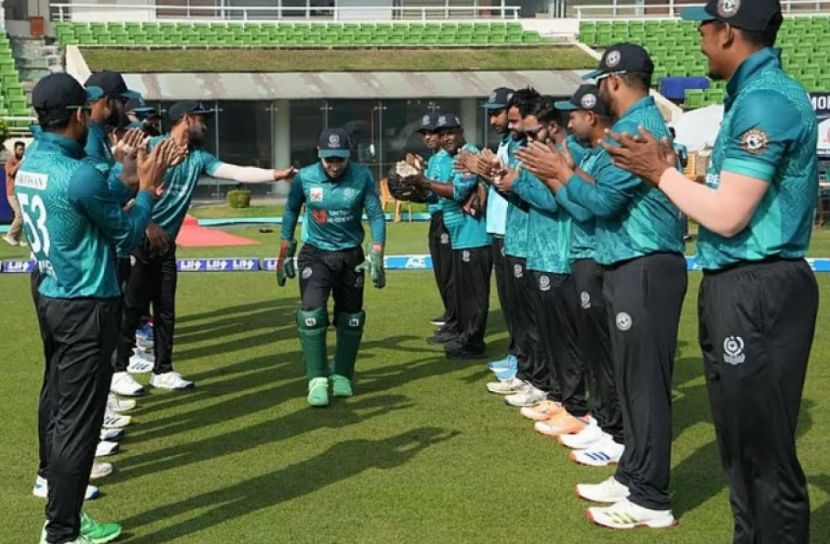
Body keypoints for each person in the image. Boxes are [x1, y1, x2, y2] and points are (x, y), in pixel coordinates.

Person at [605, 2, 817, 541]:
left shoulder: (766, 100)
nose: (699, 40)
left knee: (761, 452)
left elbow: (727, 215)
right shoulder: (753, 95)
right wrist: (672, 174)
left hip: (758, 287)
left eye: (703, 28)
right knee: (742, 449)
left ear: (727, 32)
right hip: (742, 285)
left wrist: (659, 173)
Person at [526, 44, 686, 528]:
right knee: (629, 380)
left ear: (613, 82)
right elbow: (590, 203)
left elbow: (602, 205)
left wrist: (560, 173)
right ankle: (633, 475)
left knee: (644, 386)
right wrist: (561, 177)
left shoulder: (637, 129)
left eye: (600, 83)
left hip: (644, 264)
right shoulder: (631, 125)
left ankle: (651, 498)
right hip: (628, 263)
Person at [19, 72, 178, 544]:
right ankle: (62, 530)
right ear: (77, 114)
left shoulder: (33, 160)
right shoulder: (78, 172)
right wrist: (146, 188)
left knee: (58, 403)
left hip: (52, 294)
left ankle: (58, 502)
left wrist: (124, 177)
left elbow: (89, 202)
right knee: (79, 425)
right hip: (85, 305)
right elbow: (126, 235)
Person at [112, 100, 297, 396]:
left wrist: (277, 174)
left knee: (166, 311)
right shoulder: (152, 146)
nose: (205, 125)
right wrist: (148, 224)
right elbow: (124, 191)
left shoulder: (199, 158)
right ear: (187, 119)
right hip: (139, 241)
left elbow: (238, 172)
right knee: (131, 309)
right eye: (201, 119)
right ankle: (118, 370)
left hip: (166, 247)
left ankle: (162, 371)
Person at [520, 84, 625, 466]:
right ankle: (601, 420)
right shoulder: (590, 156)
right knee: (593, 350)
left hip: (591, 256)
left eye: (574, 115)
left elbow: (581, 209)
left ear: (591, 117)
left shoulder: (591, 156)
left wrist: (554, 177)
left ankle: (609, 425)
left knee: (599, 351)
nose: (569, 122)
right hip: (582, 256)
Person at [277, 127, 386, 406]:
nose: (335, 166)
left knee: (351, 317)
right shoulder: (305, 178)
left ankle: (342, 375)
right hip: (316, 253)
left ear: (349, 155)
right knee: (312, 314)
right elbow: (291, 210)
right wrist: (285, 249)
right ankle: (316, 379)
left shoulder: (361, 176)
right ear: (319, 154)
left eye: (340, 159)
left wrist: (377, 251)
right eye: (329, 160)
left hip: (351, 255)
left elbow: (375, 214)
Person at [406, 114, 492, 359]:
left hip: (474, 233)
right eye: (442, 134)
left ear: (461, 131)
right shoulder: (453, 156)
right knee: (464, 292)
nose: (445, 138)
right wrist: (416, 188)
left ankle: (473, 343)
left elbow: (459, 191)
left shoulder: (468, 154)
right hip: (460, 233)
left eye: (450, 133)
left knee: (474, 294)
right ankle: (464, 335)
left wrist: (423, 180)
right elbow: (439, 194)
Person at [477, 87, 519, 377]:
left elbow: (511, 185)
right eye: (490, 114)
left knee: (517, 303)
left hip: (510, 230)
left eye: (498, 114)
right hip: (498, 229)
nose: (493, 120)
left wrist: (482, 170)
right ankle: (516, 354)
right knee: (508, 302)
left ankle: (522, 361)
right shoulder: (505, 144)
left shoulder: (516, 145)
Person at [3, 140, 26, 246]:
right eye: (19, 149)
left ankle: (16, 238)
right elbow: (11, 172)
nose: (21, 151)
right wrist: (20, 163)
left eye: (23, 149)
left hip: (21, 192)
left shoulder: (24, 161)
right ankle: (10, 235)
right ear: (15, 150)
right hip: (12, 193)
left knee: (23, 215)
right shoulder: (10, 162)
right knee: (20, 214)